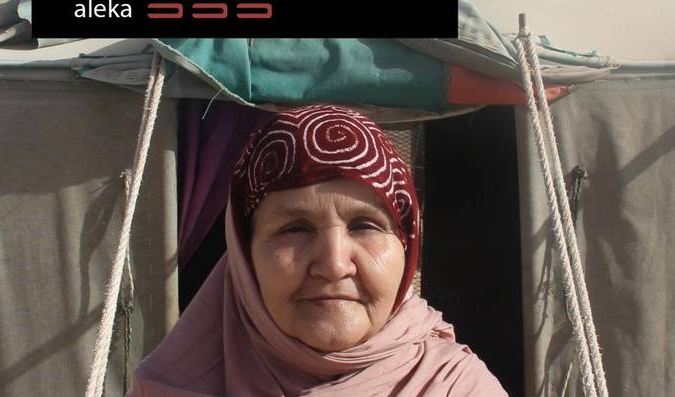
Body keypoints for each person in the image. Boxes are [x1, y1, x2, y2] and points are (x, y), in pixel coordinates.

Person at [128, 104, 508, 396]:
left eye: (365, 225)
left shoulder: (454, 387)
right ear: (245, 255)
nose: (334, 264)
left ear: (406, 248)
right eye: (295, 229)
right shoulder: (170, 388)